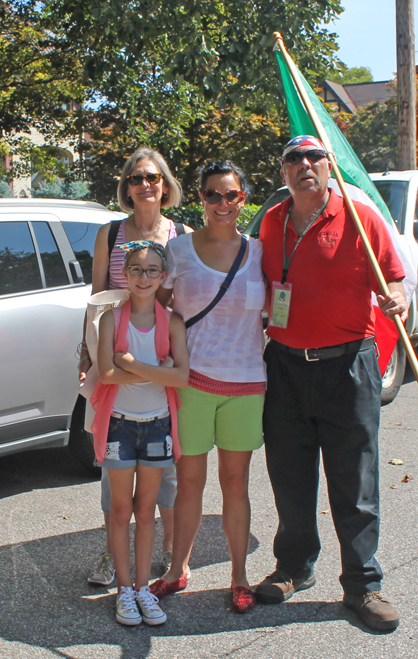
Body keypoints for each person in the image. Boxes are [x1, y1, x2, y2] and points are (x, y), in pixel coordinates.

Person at [254, 135, 408, 632]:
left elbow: (395, 281)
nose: (305, 166)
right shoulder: (272, 223)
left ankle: (363, 585)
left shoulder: (361, 220)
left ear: (329, 166)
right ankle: (294, 567)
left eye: (314, 157)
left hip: (349, 366)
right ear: (283, 172)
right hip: (285, 365)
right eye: (294, 159)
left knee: (354, 479)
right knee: (289, 474)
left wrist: (397, 301)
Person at [149, 161, 266, 614]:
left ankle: (239, 576)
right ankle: (178, 569)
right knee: (190, 483)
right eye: (213, 194)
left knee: (236, 483)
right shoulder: (177, 250)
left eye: (231, 195)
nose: (222, 203)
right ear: (199, 198)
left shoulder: (259, 252)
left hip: (247, 384)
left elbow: (286, 298)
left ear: (242, 199)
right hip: (192, 382)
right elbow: (155, 311)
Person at [78, 147, 192, 586]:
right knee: (115, 466)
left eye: (154, 177)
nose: (146, 185)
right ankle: (112, 554)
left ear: (166, 185)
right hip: (115, 352)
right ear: (126, 186)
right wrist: (87, 354)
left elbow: (187, 297)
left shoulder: (181, 235)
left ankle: (166, 553)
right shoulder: (109, 234)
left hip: (161, 356)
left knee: (165, 467)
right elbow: (95, 299)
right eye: (137, 178)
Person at [92, 241, 189, 625]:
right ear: (125, 275)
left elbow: (181, 377)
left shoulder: (173, 322)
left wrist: (131, 362)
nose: (144, 277)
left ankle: (145, 589)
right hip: (118, 424)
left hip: (158, 426)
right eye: (136, 269)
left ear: (163, 277)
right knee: (120, 509)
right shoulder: (111, 321)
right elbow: (107, 374)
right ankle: (125, 589)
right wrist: (158, 369)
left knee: (147, 511)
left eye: (152, 270)